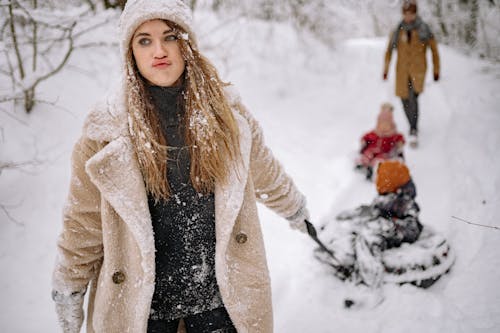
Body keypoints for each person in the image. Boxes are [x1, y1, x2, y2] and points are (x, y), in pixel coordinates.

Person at [51, 1, 310, 332]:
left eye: (169, 36)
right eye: (144, 40)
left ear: (186, 42)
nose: (158, 50)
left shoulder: (227, 115)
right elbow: (83, 222)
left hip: (221, 307)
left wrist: (295, 209)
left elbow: (264, 171)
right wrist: (69, 287)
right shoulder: (104, 133)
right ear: (130, 52)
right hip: (146, 315)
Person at [332, 160, 423, 289]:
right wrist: (359, 213)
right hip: (384, 225)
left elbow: (412, 228)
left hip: (398, 232)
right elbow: (376, 209)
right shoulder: (386, 197)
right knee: (356, 224)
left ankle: (369, 280)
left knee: (369, 237)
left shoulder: (406, 203)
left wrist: (391, 226)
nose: (377, 182)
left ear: (391, 182)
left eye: (381, 179)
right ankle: (339, 250)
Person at [383, 0, 440, 147]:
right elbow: (389, 50)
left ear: (415, 13)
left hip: (418, 71)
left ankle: (413, 128)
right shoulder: (398, 30)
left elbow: (434, 51)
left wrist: (436, 70)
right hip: (402, 71)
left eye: (411, 13)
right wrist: (385, 69)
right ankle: (412, 124)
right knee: (403, 99)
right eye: (406, 13)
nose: (408, 16)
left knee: (412, 98)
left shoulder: (424, 29)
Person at [355, 102, 405, 180]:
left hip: (383, 152)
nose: (383, 127)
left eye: (386, 125)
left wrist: (399, 144)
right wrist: (364, 141)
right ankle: (362, 164)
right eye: (381, 124)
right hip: (371, 149)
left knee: (379, 160)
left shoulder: (392, 135)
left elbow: (400, 138)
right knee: (367, 154)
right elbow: (366, 137)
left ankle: (372, 169)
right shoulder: (374, 133)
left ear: (391, 125)